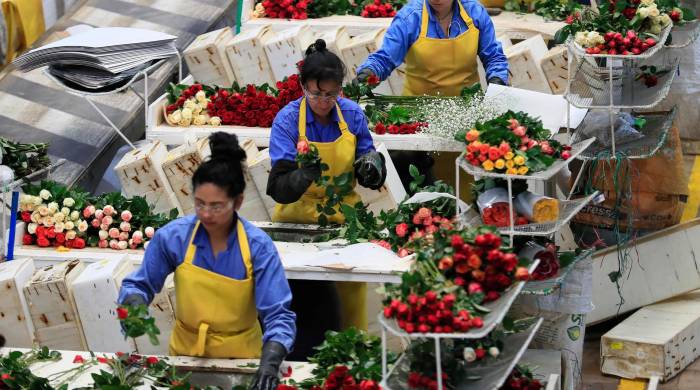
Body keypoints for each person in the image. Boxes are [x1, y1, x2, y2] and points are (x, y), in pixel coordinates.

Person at [119, 132, 296, 390]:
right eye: (200, 204)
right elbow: (140, 284)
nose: (206, 214)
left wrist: (271, 358)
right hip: (185, 358)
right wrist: (133, 303)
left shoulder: (257, 247)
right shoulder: (174, 237)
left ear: (238, 202)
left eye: (216, 206)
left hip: (243, 361)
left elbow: (278, 313)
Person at [266, 39, 387, 360]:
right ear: (303, 86)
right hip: (296, 226)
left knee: (349, 309)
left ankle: (351, 369)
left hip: (343, 226)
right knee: (303, 310)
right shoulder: (287, 121)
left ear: (340, 90)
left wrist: (371, 168)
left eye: (331, 94)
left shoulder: (352, 115)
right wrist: (301, 175)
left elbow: (366, 155)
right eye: (316, 94)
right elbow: (277, 186)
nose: (323, 101)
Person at [354, 0, 509, 192]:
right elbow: (385, 57)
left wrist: (498, 80)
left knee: (466, 189)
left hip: (467, 114)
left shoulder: (474, 13)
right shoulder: (410, 17)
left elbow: (493, 55)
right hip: (417, 117)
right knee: (423, 194)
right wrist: (368, 72)